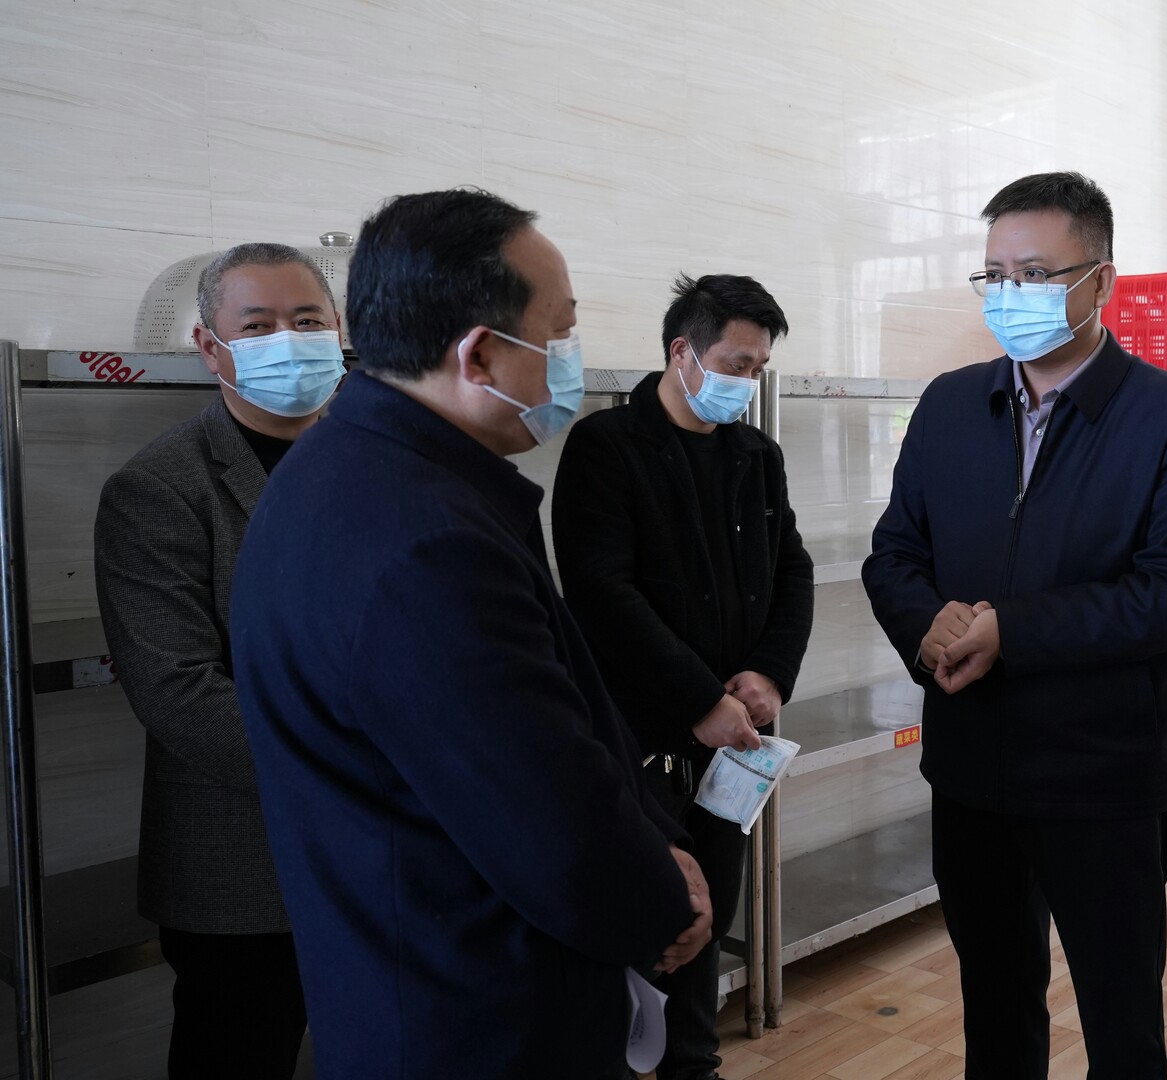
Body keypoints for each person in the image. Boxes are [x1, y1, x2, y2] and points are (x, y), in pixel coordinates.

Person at [230, 188, 709, 1080]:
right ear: (480, 354)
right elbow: (550, 823)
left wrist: (657, 841)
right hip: (478, 1019)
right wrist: (661, 900)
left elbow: (558, 715)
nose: (569, 357)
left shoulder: (346, 469)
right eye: (560, 331)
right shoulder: (427, 542)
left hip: (409, 987)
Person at [863, 171, 1167, 1079]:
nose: (1010, 295)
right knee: (995, 1011)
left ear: (1100, 280)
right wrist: (927, 625)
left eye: (1034, 274)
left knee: (1121, 1020)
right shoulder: (950, 404)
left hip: (1100, 779)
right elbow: (895, 552)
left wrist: (1012, 632)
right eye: (994, 276)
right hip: (971, 769)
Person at [552, 272, 813, 1080]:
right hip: (638, 741)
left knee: (710, 920)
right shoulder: (606, 448)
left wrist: (769, 674)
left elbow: (792, 570)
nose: (746, 382)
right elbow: (600, 592)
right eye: (735, 364)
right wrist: (699, 698)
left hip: (734, 744)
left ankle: (693, 1064)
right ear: (682, 352)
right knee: (646, 922)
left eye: (757, 369)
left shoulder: (755, 455)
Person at [94, 241, 346, 1079]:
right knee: (239, 1053)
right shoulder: (160, 488)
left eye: (306, 320)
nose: (289, 341)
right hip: (243, 862)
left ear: (338, 330)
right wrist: (358, 765)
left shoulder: (377, 464)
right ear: (210, 347)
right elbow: (177, 691)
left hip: (389, 848)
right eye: (259, 325)